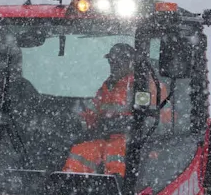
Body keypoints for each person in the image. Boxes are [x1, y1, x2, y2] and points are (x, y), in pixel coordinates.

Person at [63, 42, 165, 178]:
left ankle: (115, 191)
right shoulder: (108, 87)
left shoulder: (147, 86)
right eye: (111, 62)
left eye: (118, 62)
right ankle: (68, 191)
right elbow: (90, 113)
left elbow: (164, 121)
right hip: (107, 139)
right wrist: (77, 123)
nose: (113, 66)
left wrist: (132, 125)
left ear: (130, 62)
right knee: (80, 151)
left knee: (115, 152)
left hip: (138, 144)